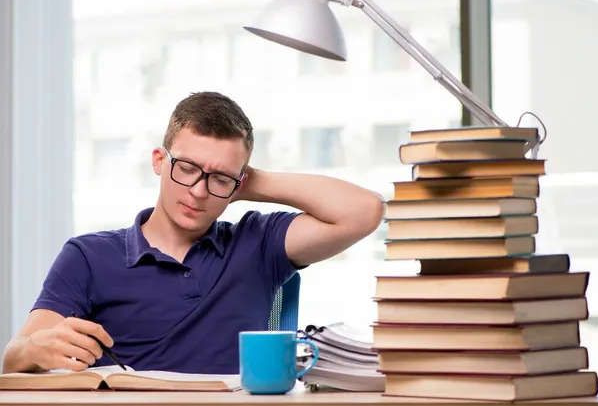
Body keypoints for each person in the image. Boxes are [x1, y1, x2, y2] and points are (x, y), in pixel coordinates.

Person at [2, 91, 384, 375]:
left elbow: (365, 212)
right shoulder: (88, 256)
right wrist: (36, 348)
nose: (199, 191)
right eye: (186, 168)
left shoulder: (257, 243)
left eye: (218, 179)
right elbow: (13, 358)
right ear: (159, 161)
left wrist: (247, 180)